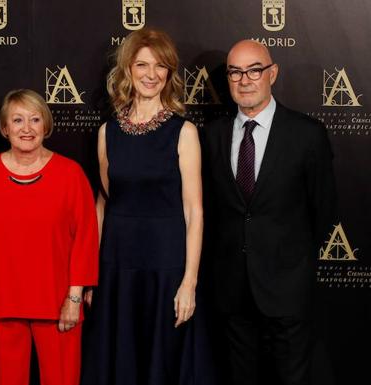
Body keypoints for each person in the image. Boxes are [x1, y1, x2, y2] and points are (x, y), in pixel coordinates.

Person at [202, 40, 336, 385]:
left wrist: (292, 262)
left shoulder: (307, 134)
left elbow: (323, 209)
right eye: (235, 72)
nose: (244, 80)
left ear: (272, 73)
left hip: (287, 286)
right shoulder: (211, 136)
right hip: (231, 287)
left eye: (254, 70)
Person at [81, 27, 211, 385]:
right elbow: (104, 203)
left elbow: (194, 211)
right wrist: (90, 274)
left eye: (160, 66)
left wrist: (189, 282)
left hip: (165, 265)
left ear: (169, 73)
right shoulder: (108, 132)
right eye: (142, 65)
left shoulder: (183, 132)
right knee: (120, 359)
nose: (151, 75)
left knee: (162, 361)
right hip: (117, 264)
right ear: (127, 70)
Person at [0, 89, 98, 385]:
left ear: (46, 126)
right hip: (2, 300)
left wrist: (74, 297)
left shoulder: (71, 174)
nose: (27, 129)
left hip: (58, 301)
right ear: (4, 128)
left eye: (35, 120)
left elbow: (86, 240)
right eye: (18, 120)